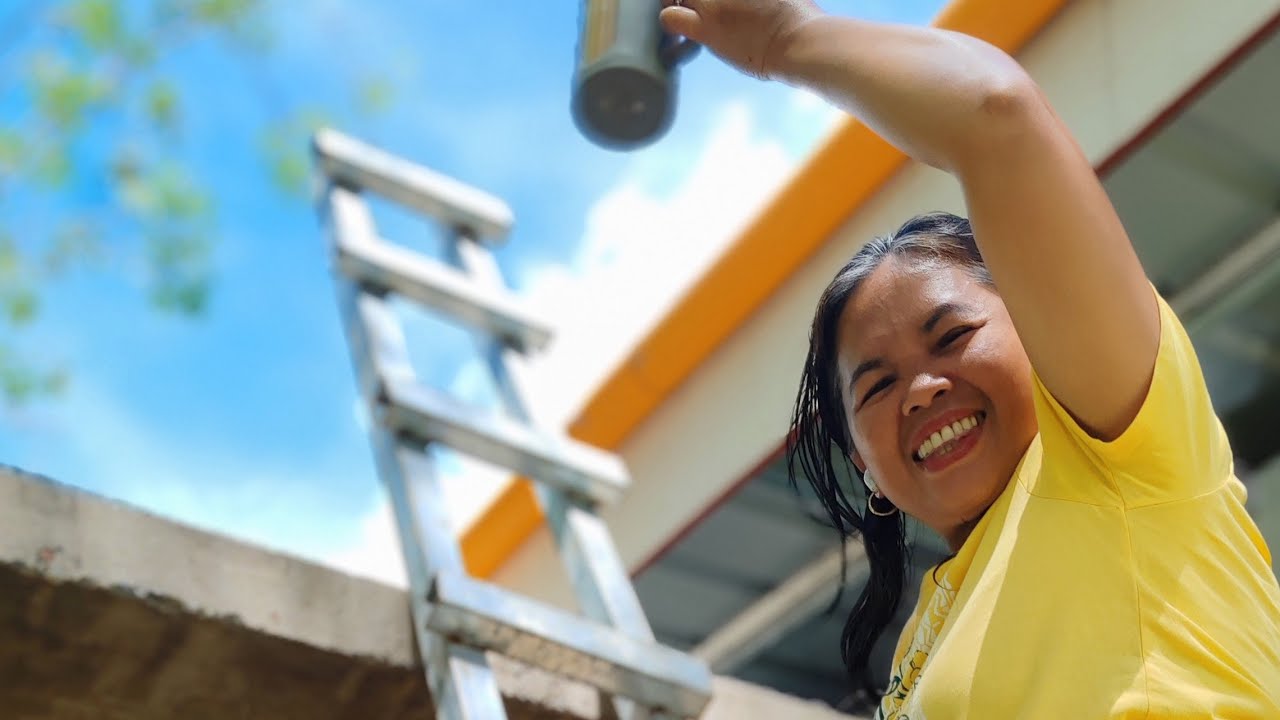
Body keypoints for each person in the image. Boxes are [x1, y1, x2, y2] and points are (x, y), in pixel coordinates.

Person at [658, 1, 1280, 717]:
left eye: (951, 336)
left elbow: (993, 112)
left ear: (1040, 328)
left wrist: (783, 40)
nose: (919, 390)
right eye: (878, 385)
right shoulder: (921, 649)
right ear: (867, 468)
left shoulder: (1123, 451)